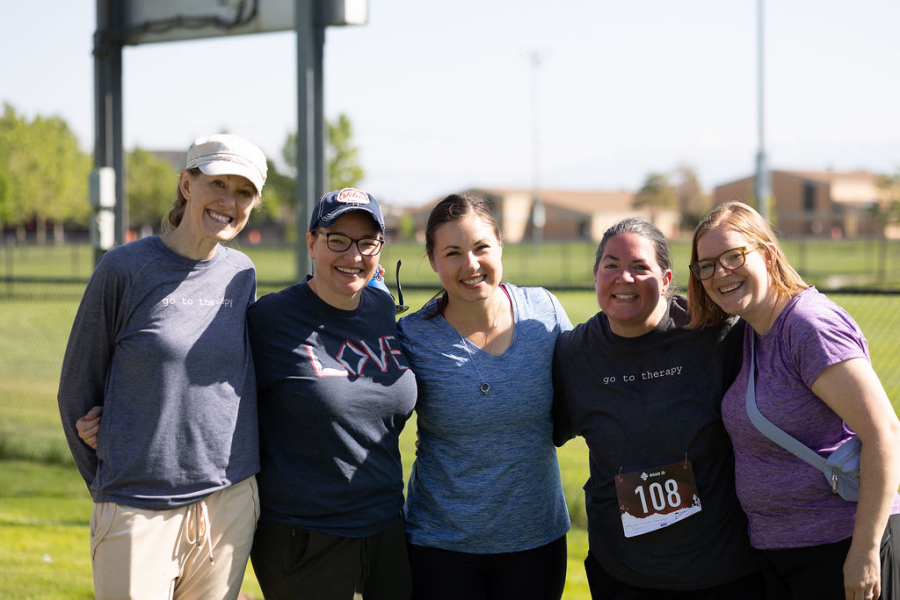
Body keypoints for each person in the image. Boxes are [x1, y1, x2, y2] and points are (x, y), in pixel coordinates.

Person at [59, 133, 267, 599]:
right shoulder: (124, 269)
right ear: (186, 185)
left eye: (243, 192)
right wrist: (111, 471)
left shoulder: (242, 273)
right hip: (136, 504)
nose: (228, 202)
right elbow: (77, 389)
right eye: (218, 184)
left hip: (227, 501)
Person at [688, 200, 900, 600]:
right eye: (707, 265)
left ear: (766, 254)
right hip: (782, 553)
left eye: (734, 256)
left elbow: (885, 433)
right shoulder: (752, 330)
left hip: (839, 548)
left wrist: (866, 551)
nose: (720, 273)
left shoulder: (808, 325)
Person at [552, 218, 763, 599]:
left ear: (666, 280)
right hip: (621, 572)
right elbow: (536, 429)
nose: (624, 278)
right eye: (611, 266)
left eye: (640, 267)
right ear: (595, 276)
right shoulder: (573, 354)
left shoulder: (717, 335)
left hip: (720, 571)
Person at [396, 193, 571, 600]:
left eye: (480, 248)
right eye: (453, 253)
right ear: (433, 259)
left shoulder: (543, 312)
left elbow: (586, 390)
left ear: (500, 245)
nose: (471, 265)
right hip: (440, 545)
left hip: (536, 539)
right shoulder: (412, 336)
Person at [246, 188, 417, 599]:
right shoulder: (270, 319)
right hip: (303, 536)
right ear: (311, 242)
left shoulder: (380, 307)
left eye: (367, 242)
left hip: (386, 527)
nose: (352, 255)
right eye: (336, 240)